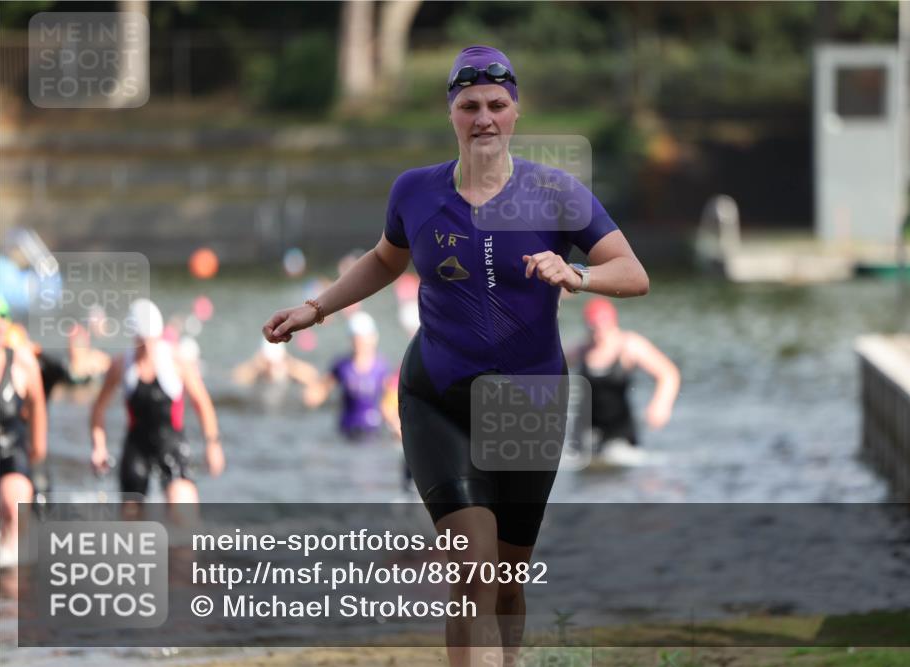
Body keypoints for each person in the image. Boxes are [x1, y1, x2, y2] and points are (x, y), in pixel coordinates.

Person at [263, 45, 648, 667]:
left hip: (528, 402)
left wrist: (577, 274)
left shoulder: (556, 193)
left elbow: (632, 273)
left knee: (507, 581)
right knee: (472, 571)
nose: (484, 117)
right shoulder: (415, 192)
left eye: (497, 104)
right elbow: (386, 259)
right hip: (437, 396)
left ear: (516, 113)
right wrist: (319, 307)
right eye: (470, 106)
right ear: (453, 115)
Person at [90, 299, 224, 503]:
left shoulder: (177, 361)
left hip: (171, 443)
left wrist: (212, 445)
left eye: (151, 340)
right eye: (142, 341)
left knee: (182, 503)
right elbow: (98, 409)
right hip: (137, 446)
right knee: (131, 516)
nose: (147, 347)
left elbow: (202, 404)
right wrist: (99, 447)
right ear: (134, 337)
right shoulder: (121, 365)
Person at [569, 297, 680, 462]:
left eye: (604, 327)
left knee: (619, 469)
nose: (599, 335)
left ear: (613, 323)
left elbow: (668, 374)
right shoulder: (581, 350)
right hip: (584, 433)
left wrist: (661, 405)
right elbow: (547, 371)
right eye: (594, 329)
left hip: (620, 432)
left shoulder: (629, 344)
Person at [0, 296, 47, 566]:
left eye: (2, 316)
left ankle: (9, 584)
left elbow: (37, 404)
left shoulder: (22, 362)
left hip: (10, 448)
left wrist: (38, 450)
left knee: (13, 503)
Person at [303, 312, 393, 442]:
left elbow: (391, 398)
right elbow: (320, 391)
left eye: (363, 339)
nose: (361, 343)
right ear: (351, 340)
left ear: (373, 338)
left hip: (374, 430)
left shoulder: (382, 367)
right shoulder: (342, 365)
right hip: (346, 431)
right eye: (356, 339)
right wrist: (311, 394)